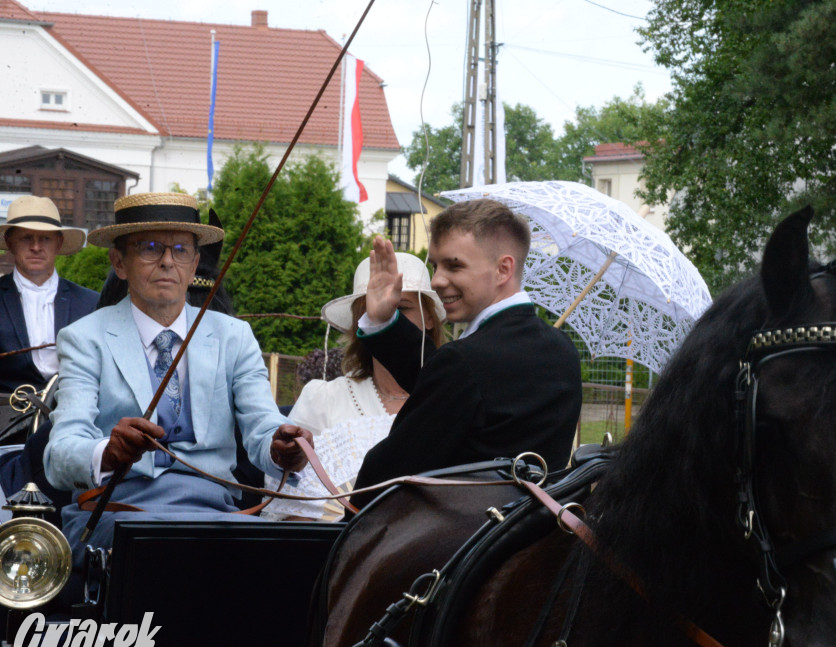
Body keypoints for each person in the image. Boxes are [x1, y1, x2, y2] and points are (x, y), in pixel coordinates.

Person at [43, 191, 310, 566]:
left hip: (214, 515)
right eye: (151, 248)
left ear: (195, 262)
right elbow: (59, 455)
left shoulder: (234, 336)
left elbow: (263, 427)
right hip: (115, 513)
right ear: (119, 262)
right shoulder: (83, 338)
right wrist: (107, 451)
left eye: (181, 250)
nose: (168, 262)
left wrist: (281, 448)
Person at [350, 199, 582, 508]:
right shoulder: (563, 350)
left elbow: (389, 471)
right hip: (537, 534)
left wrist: (346, 523)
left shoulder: (466, 361)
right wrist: (383, 321)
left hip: (455, 546)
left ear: (503, 269)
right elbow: (446, 384)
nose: (436, 280)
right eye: (434, 265)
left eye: (453, 265)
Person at [262, 252, 446, 521]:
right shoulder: (322, 400)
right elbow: (290, 509)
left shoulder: (450, 400)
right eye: (376, 309)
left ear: (429, 318)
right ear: (361, 320)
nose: (388, 317)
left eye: (402, 307)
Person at [0, 195, 98, 395]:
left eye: (45, 238)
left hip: (73, 417)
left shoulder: (90, 303)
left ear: (59, 243)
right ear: (9, 243)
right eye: (26, 238)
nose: (36, 247)